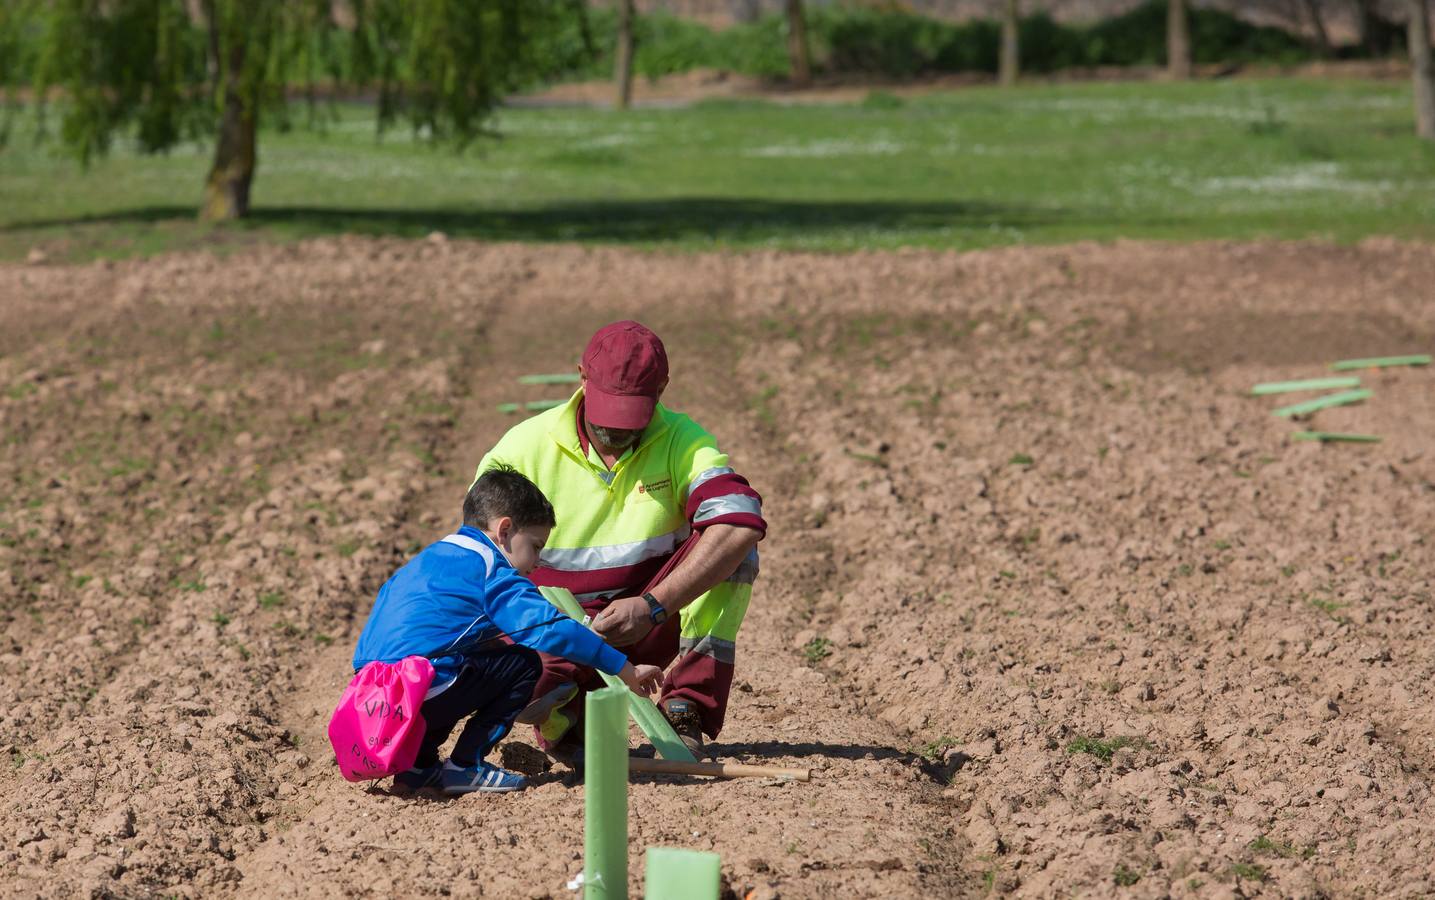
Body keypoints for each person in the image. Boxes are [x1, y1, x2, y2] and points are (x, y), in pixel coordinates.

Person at [476, 321, 766, 760]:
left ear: (662, 389)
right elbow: (479, 566)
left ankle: (685, 705)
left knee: (734, 550)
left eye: (630, 419)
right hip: (558, 628)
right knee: (526, 687)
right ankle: (563, 720)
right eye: (606, 415)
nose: (614, 435)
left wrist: (653, 606)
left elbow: (739, 521)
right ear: (581, 377)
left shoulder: (682, 442)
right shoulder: (520, 451)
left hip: (644, 620)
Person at [351, 464, 662, 795]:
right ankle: (465, 765)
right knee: (522, 662)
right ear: (505, 530)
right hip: (418, 690)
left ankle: (418, 768)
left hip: (372, 694)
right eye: (537, 545)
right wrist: (624, 667)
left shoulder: (431, 558)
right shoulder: (489, 568)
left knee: (462, 659)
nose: (539, 560)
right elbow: (548, 629)